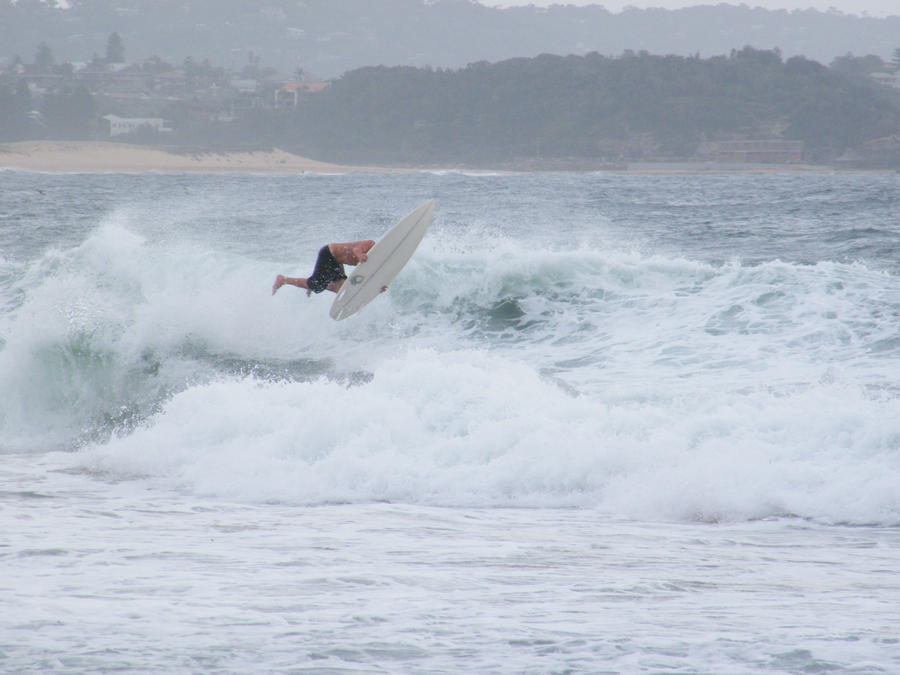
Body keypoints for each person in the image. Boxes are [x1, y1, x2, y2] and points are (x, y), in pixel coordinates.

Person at [272, 240, 380, 296]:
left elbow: (367, 278)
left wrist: (378, 289)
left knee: (341, 289)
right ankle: (283, 279)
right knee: (316, 285)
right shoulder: (370, 244)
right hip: (329, 253)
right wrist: (360, 255)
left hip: (337, 261)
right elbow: (357, 249)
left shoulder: (375, 263)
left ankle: (310, 284)